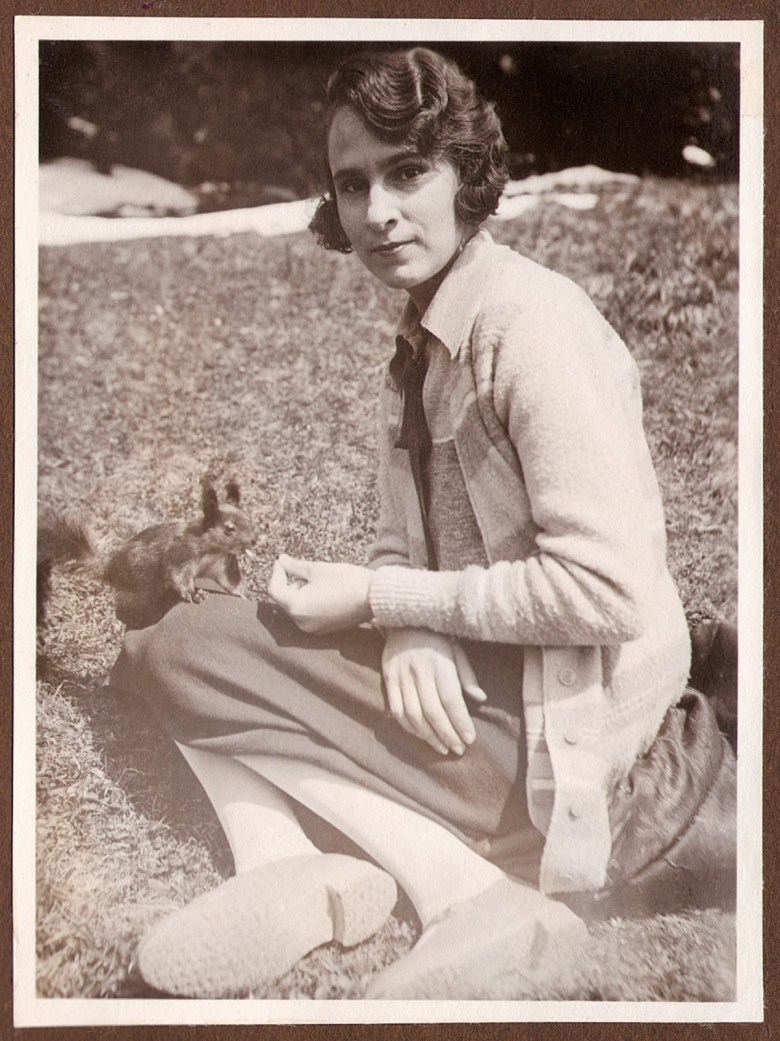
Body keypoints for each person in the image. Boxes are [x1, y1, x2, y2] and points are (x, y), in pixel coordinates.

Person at [110, 46, 736, 1001]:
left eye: (408, 173)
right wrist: (407, 623)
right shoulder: (426, 330)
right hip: (496, 684)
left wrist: (386, 597)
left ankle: (464, 893)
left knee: (184, 650)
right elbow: (402, 528)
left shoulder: (530, 328)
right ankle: (277, 862)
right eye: (352, 184)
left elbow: (603, 591)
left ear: (466, 177)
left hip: (568, 748)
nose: (378, 210)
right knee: (170, 641)